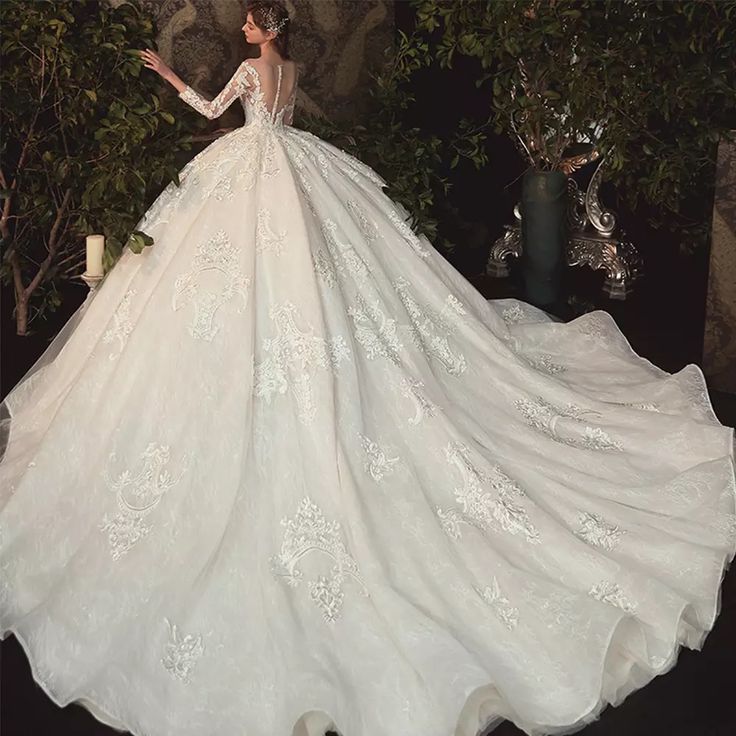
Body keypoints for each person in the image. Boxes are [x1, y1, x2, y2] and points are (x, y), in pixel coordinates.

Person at [1, 1, 734, 735]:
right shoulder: (287, 70)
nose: (247, 34)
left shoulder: (250, 76)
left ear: (262, 29)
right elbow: (277, 119)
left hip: (253, 174)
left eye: (251, 26)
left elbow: (211, 105)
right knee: (318, 284)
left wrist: (165, 73)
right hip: (294, 169)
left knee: (262, 289)